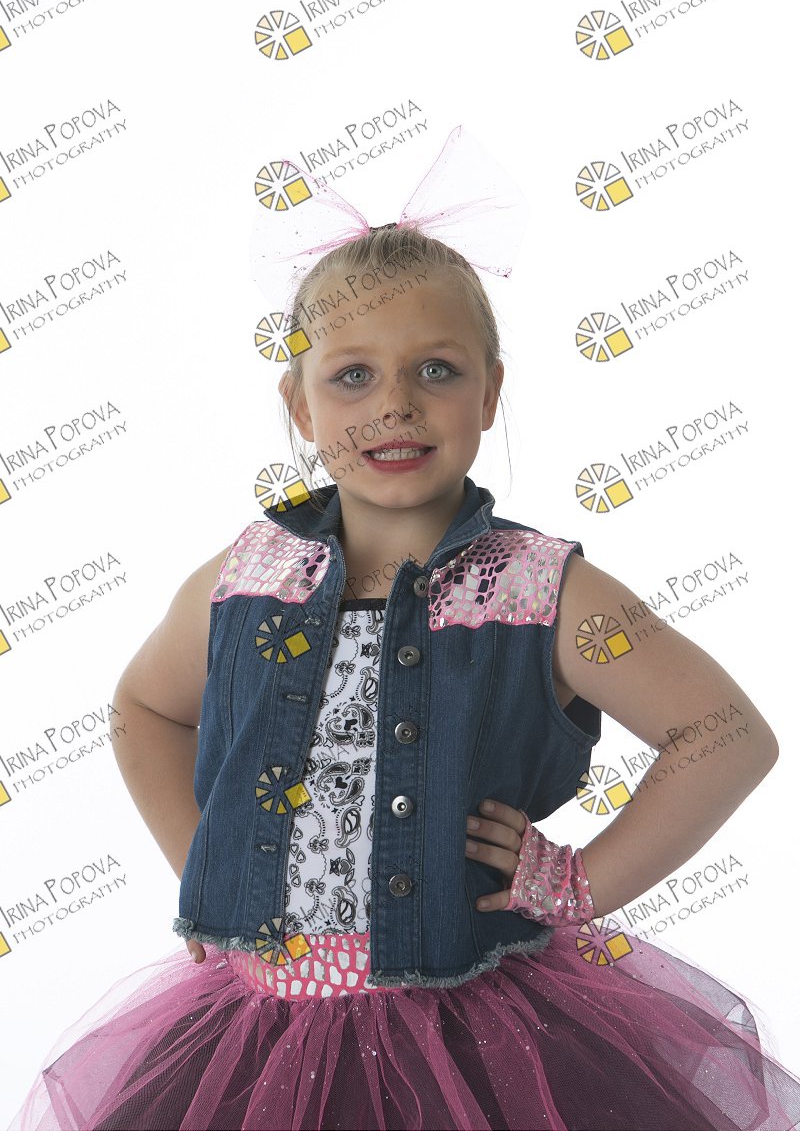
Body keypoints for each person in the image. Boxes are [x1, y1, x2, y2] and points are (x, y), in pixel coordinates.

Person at [11, 213, 800, 1130]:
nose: (395, 406)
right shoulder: (244, 583)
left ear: (490, 392)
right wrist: (207, 864)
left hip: (479, 1036)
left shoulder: (535, 590)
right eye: (353, 375)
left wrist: (581, 882)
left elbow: (724, 736)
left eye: (437, 370)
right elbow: (145, 707)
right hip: (257, 1034)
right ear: (300, 406)